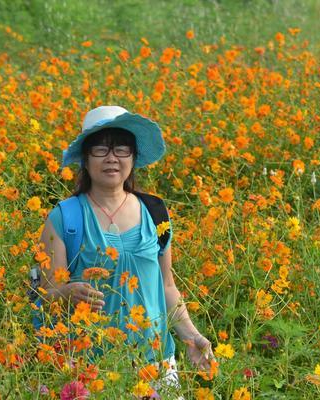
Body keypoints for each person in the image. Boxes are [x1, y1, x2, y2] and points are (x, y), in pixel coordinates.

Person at [37, 105, 214, 388]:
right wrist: (67, 293)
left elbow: (167, 287)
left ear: (133, 157)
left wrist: (191, 335)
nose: (111, 158)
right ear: (85, 158)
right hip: (89, 367)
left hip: (156, 362)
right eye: (100, 149)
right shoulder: (64, 217)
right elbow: (45, 297)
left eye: (121, 149)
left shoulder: (156, 212)